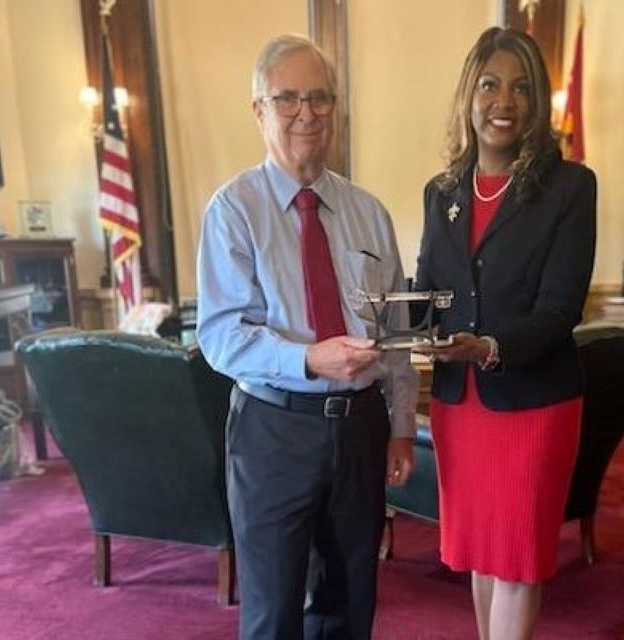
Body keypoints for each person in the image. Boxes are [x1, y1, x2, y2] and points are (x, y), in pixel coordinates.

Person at [196, 34, 417, 639]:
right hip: (274, 430)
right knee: (272, 608)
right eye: (288, 98)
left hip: (361, 430)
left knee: (350, 603)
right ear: (258, 109)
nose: (306, 113)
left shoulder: (369, 211)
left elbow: (395, 334)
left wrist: (401, 428)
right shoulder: (233, 210)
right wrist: (308, 360)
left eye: (319, 98)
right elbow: (220, 336)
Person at [414, 27, 596, 639]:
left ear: (538, 102)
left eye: (521, 88)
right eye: (489, 85)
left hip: (533, 401)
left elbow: (559, 309)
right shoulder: (441, 194)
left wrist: (490, 348)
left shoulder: (570, 187)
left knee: (516, 560)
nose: (504, 101)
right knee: (479, 553)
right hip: (459, 405)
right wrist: (396, 320)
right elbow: (429, 290)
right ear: (469, 95)